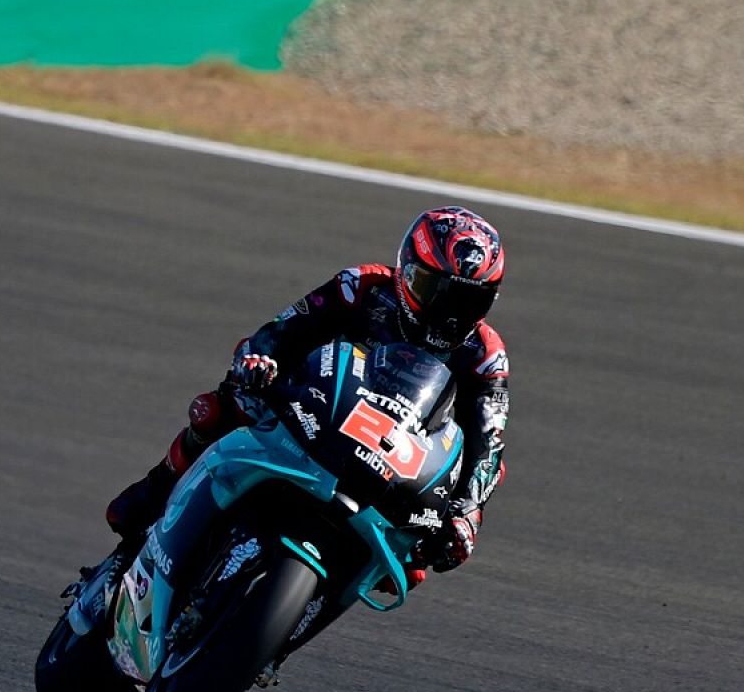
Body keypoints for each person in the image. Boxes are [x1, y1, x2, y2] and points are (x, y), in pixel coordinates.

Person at [104, 205, 510, 621]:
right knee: (223, 408)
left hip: (391, 460)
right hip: (311, 409)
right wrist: (260, 359)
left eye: (466, 298)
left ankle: (287, 626)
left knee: (413, 560)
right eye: (433, 289)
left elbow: (488, 446)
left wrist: (468, 512)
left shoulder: (485, 356)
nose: (448, 310)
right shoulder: (363, 286)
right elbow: (285, 328)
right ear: (406, 271)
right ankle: (153, 499)